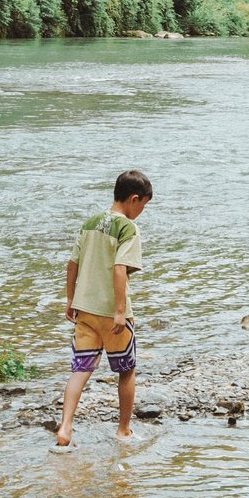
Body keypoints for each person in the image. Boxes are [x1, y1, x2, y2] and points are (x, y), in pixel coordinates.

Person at [55, 169, 153, 447]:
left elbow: (72, 264)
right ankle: (123, 431)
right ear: (134, 199)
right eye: (143, 205)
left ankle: (65, 428)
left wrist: (70, 299)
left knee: (81, 369)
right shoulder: (127, 228)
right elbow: (120, 268)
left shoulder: (90, 223)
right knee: (126, 369)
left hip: (84, 309)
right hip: (112, 313)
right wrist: (120, 311)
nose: (141, 211)